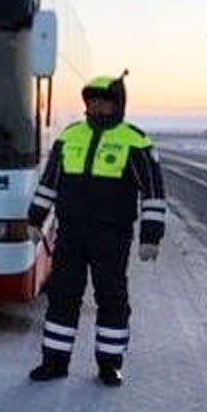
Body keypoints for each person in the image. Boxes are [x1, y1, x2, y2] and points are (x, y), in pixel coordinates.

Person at [26, 71, 165, 387]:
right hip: (71, 233)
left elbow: (154, 193)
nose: (97, 107)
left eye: (104, 102)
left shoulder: (136, 141)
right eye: (93, 102)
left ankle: (109, 365)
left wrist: (151, 238)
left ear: (118, 105)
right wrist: (35, 218)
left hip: (111, 236)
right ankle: (54, 362)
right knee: (62, 297)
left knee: (111, 299)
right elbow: (49, 184)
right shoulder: (69, 136)